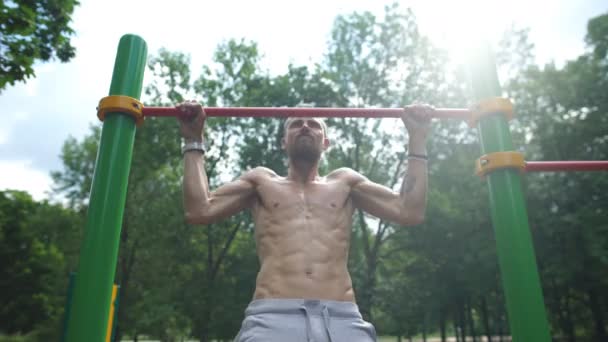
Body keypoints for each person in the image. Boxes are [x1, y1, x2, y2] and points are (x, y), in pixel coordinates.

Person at [177, 100, 433, 342]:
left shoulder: (346, 182)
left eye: (314, 124)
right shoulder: (261, 181)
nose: (305, 127)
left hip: (341, 316)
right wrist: (192, 139)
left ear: (326, 142)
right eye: (296, 123)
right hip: (272, 316)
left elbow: (409, 211)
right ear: (283, 142)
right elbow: (199, 210)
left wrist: (418, 138)